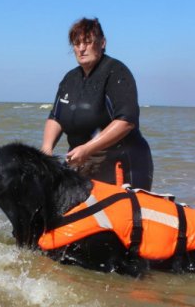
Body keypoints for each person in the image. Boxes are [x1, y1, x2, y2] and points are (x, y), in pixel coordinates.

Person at [42, 17, 154, 190]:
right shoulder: (70, 78)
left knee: (120, 217)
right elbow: (56, 117)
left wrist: (87, 149)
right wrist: (46, 150)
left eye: (87, 42)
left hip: (122, 164)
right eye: (76, 43)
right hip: (82, 164)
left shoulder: (116, 72)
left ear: (102, 43)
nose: (81, 48)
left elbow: (126, 121)